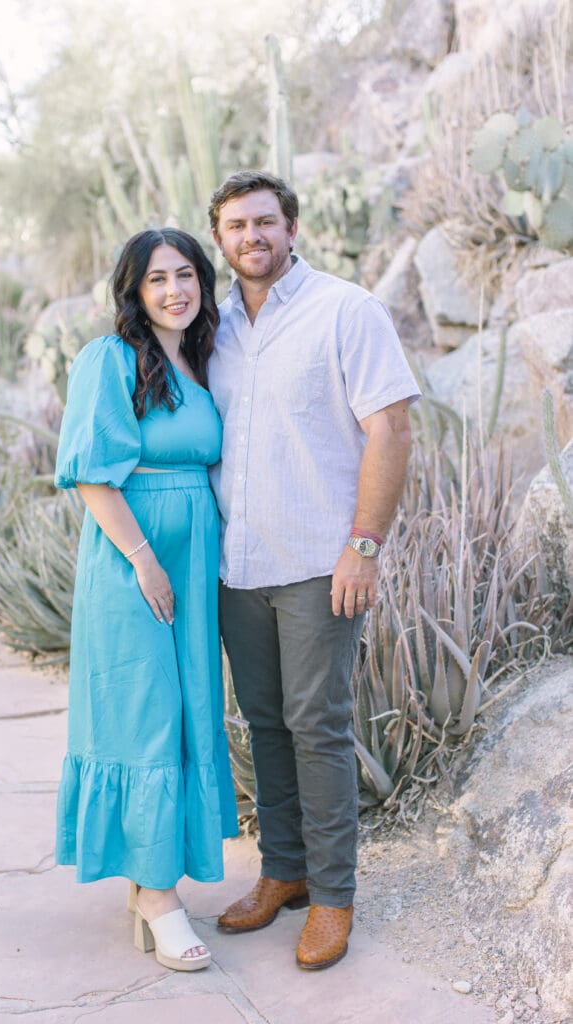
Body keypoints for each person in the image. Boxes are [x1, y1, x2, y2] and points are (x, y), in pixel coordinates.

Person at [206, 171, 420, 970]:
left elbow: (389, 430)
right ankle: (283, 873)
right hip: (238, 565)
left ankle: (332, 897)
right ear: (221, 239)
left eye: (264, 222)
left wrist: (362, 545)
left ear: (291, 227)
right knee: (264, 726)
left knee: (317, 728)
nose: (251, 237)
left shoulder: (346, 311)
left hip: (318, 564)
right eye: (235, 226)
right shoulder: (213, 326)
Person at [54, 227, 238, 973]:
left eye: (185, 274)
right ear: (132, 290)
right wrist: (144, 562)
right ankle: (156, 898)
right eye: (156, 278)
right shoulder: (110, 359)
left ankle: (154, 880)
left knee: (188, 709)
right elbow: (92, 474)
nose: (173, 290)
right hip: (135, 561)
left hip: (195, 560)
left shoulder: (201, 360)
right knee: (145, 715)